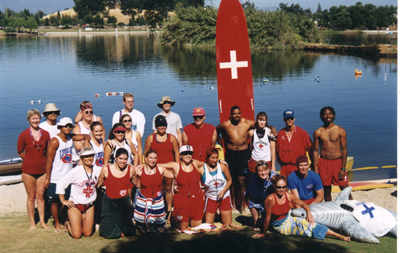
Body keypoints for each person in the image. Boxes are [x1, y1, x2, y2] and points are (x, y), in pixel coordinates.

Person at [252, 174, 350, 242]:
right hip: (280, 225)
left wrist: (309, 213)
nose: (282, 190)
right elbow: (268, 217)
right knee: (306, 227)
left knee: (310, 222)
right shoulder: (270, 199)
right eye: (279, 187)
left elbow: (303, 204)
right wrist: (263, 233)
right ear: (274, 187)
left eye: (284, 187)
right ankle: (339, 236)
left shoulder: (288, 195)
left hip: (289, 217)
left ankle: (337, 234)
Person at [45, 117, 91, 232]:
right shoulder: (55, 141)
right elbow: (49, 160)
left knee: (67, 200)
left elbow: (87, 136)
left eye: (70, 126)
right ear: (60, 127)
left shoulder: (71, 138)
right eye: (65, 126)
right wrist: (47, 178)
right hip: (56, 177)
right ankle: (56, 223)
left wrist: (85, 144)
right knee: (55, 201)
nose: (68, 128)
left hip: (69, 176)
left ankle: (64, 220)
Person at [56, 147, 102, 239]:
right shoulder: (76, 171)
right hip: (75, 206)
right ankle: (67, 223)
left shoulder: (98, 170)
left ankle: (80, 221)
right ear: (81, 158)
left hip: (89, 206)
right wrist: (63, 200)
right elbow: (61, 183)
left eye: (91, 156)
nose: (89, 158)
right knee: (77, 235)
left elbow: (110, 171)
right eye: (86, 156)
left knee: (87, 233)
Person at [216, 105, 254, 213]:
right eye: (234, 113)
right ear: (231, 115)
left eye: (238, 113)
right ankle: (232, 205)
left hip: (243, 154)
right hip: (231, 154)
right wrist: (221, 143)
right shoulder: (225, 124)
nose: (236, 115)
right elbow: (216, 130)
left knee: (241, 181)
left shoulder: (247, 123)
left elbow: (262, 123)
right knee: (231, 181)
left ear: (241, 114)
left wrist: (273, 130)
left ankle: (242, 206)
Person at [158, 145, 206, 231]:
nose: (188, 156)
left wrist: (221, 161)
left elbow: (209, 163)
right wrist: (144, 165)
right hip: (182, 201)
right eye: (185, 154)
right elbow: (159, 165)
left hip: (196, 201)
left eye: (190, 154)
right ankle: (173, 217)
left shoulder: (195, 163)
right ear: (180, 155)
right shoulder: (176, 165)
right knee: (183, 229)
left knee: (196, 228)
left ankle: (175, 216)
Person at [17, 109, 51, 230]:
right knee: (31, 196)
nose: (35, 121)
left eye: (37, 118)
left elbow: (48, 151)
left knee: (40, 197)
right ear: (29, 120)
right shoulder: (24, 135)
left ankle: (42, 222)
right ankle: (32, 222)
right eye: (33, 119)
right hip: (28, 171)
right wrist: (29, 159)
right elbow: (20, 151)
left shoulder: (46, 134)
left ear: (40, 119)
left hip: (42, 170)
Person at [313, 106, 351, 202]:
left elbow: (344, 150)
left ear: (334, 116)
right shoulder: (318, 132)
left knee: (345, 188)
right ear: (321, 116)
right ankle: (330, 209)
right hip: (324, 162)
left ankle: (353, 207)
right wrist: (315, 168)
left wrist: (343, 168)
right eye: (325, 114)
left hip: (337, 162)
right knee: (326, 189)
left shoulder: (340, 131)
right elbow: (315, 151)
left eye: (330, 113)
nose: (327, 116)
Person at [97, 148, 137, 239]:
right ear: (115, 158)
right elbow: (98, 184)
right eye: (120, 158)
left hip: (123, 203)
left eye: (125, 159)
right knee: (107, 233)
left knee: (129, 232)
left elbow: (136, 184)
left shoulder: (131, 169)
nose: (123, 161)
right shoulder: (106, 169)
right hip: (109, 202)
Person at [145, 115, 179, 219]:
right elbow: (146, 154)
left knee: (168, 189)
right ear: (156, 126)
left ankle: (169, 210)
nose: (162, 127)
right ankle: (157, 210)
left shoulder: (172, 138)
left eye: (164, 125)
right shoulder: (151, 138)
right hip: (156, 169)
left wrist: (177, 167)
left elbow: (177, 153)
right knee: (157, 189)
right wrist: (147, 168)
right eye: (159, 126)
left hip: (169, 170)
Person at [134, 150, 174, 233]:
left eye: (155, 158)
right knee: (142, 229)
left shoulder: (161, 169)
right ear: (146, 158)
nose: (153, 160)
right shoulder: (140, 170)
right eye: (151, 158)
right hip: (143, 201)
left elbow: (173, 175)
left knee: (160, 229)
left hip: (157, 201)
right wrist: (137, 175)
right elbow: (137, 185)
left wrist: (174, 185)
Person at [202, 147, 237, 227]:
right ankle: (214, 213)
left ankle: (221, 213)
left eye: (217, 158)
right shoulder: (202, 169)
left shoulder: (223, 167)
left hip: (224, 196)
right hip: (211, 197)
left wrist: (224, 191)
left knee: (227, 224)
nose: (215, 160)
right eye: (212, 158)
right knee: (208, 225)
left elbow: (229, 180)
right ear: (207, 158)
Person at [276, 110, 313, 178]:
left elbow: (311, 150)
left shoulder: (303, 133)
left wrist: (311, 164)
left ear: (294, 119)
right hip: (285, 168)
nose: (289, 120)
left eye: (291, 118)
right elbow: (277, 151)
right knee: (285, 187)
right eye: (287, 119)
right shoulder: (280, 133)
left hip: (298, 168)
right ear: (284, 120)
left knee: (299, 187)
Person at [245, 160, 278, 231]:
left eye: (265, 170)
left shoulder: (275, 177)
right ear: (257, 172)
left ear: (269, 170)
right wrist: (264, 198)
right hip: (260, 198)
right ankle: (256, 222)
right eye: (260, 171)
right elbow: (252, 193)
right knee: (250, 198)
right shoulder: (253, 178)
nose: (263, 173)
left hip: (271, 200)